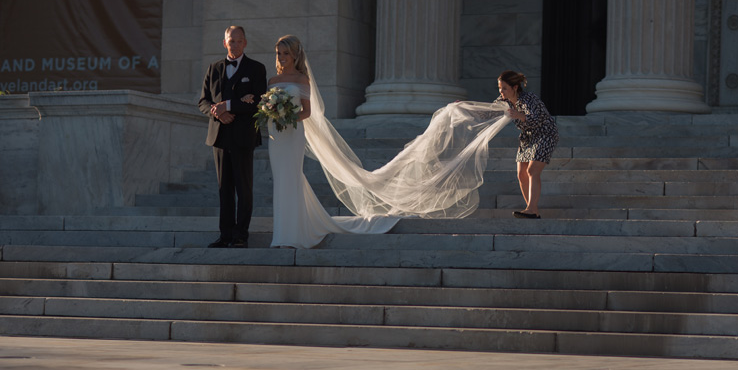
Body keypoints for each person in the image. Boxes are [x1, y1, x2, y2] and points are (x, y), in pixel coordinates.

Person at [238, 35, 512, 250]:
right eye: (279, 53)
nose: (282, 57)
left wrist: (286, 113)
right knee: (283, 181)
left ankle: (293, 233)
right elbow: (264, 106)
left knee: (291, 179)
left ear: (296, 55)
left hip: (293, 133)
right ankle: (287, 231)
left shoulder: (301, 79)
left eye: (286, 53)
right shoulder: (272, 80)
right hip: (277, 136)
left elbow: (308, 112)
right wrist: (271, 113)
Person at [198, 25, 268, 248]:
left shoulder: (256, 69)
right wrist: (217, 113)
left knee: (243, 188)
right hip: (218, 137)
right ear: (224, 42)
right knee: (224, 189)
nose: (234, 44)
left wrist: (228, 106)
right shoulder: (214, 68)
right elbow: (203, 101)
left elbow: (258, 102)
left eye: (239, 41)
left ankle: (240, 236)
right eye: (231, 41)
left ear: (245, 43)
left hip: (243, 137)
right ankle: (225, 234)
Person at [496, 70, 559, 219]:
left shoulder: (529, 98)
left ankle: (531, 209)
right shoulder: (503, 101)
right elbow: (487, 111)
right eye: (500, 88)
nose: (501, 91)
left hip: (545, 133)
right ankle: (532, 210)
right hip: (527, 137)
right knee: (521, 174)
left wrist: (520, 115)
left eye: (504, 88)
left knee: (532, 170)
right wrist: (463, 107)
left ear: (515, 87)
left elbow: (536, 120)